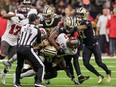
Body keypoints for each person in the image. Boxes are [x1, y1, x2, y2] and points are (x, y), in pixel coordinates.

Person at [49, 17, 90, 84]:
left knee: (74, 57)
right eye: (68, 27)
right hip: (56, 45)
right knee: (59, 64)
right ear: (65, 25)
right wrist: (58, 48)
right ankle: (48, 73)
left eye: (71, 28)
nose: (69, 29)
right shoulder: (60, 28)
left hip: (66, 45)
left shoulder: (74, 28)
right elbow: (50, 38)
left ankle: (77, 77)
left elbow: (76, 37)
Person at [76, 7, 111, 84]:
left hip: (94, 44)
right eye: (78, 14)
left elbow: (81, 28)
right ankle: (99, 75)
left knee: (99, 62)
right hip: (86, 45)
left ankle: (108, 72)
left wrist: (70, 26)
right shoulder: (77, 22)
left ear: (85, 15)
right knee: (86, 63)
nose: (79, 16)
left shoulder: (87, 21)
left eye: (81, 14)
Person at [0, 4, 29, 84]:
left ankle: (3, 73)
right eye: (22, 12)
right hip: (6, 38)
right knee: (3, 55)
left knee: (10, 62)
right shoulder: (12, 15)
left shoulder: (26, 20)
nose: (24, 13)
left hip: (15, 41)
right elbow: (4, 16)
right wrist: (15, 15)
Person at [14, 13, 45, 87]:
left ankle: (17, 83)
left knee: (19, 66)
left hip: (19, 47)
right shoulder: (37, 29)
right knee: (41, 66)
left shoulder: (23, 26)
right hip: (27, 49)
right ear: (35, 20)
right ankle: (38, 82)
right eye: (37, 19)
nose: (38, 20)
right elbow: (38, 43)